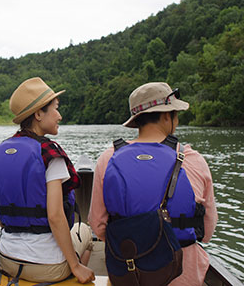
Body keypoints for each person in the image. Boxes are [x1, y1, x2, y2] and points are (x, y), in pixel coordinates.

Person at [89, 82, 218, 286]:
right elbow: (207, 232)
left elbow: (98, 225)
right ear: (167, 116)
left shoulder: (108, 158)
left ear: (137, 120)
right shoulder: (193, 160)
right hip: (182, 274)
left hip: (130, 271)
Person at [0, 77, 95, 284]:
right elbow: (55, 217)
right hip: (48, 266)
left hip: (7, 260)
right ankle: (73, 277)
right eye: (55, 109)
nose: (60, 116)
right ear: (38, 114)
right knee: (86, 232)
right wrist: (74, 265)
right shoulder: (49, 152)